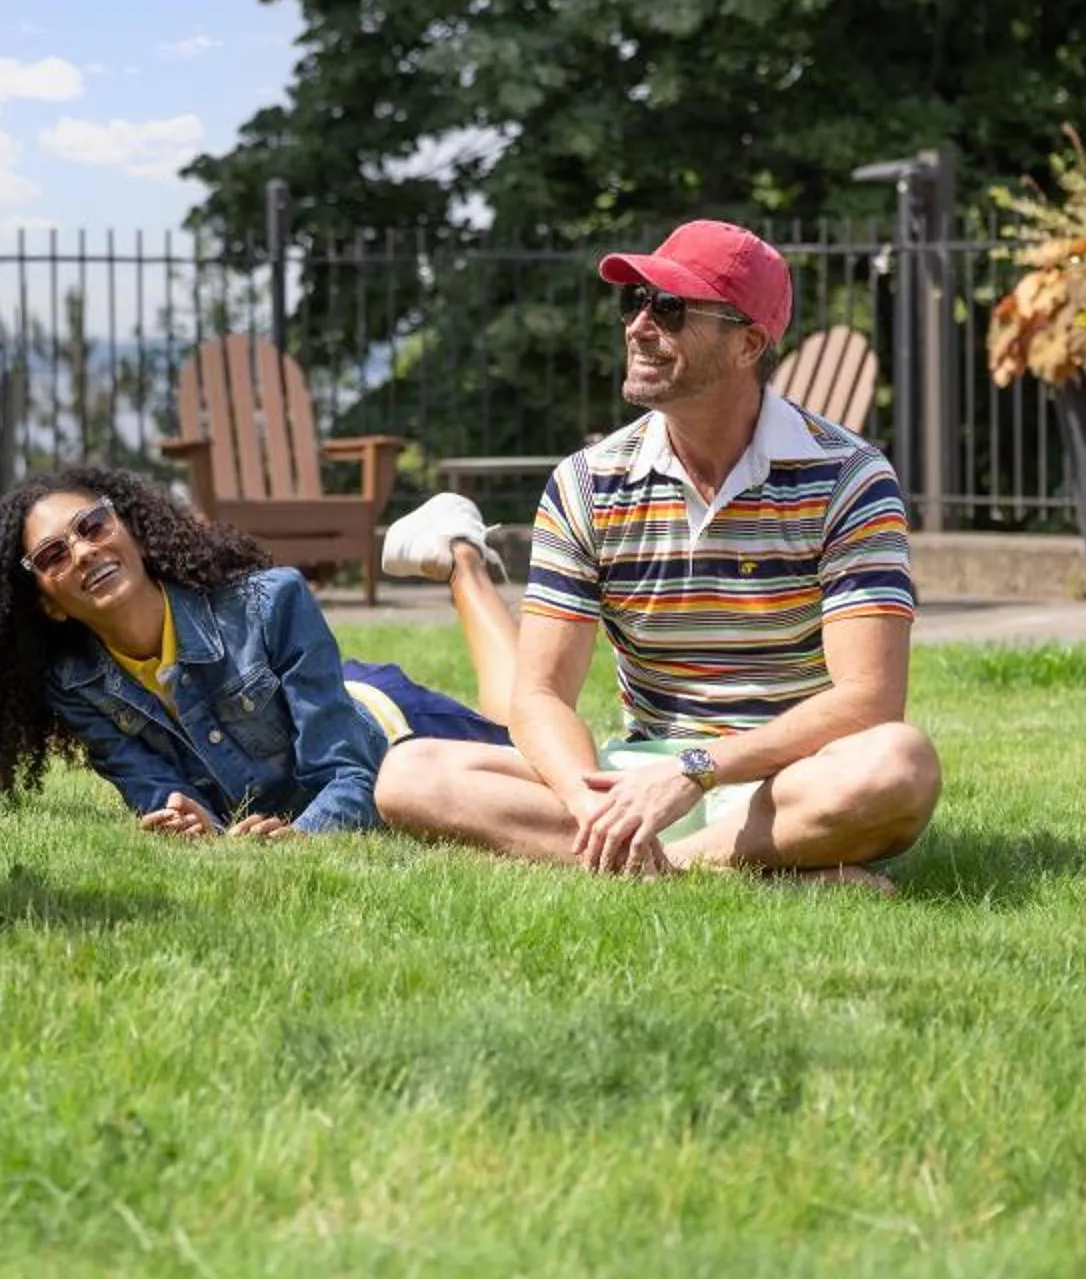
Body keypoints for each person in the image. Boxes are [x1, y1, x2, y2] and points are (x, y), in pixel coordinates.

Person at [376, 219, 943, 888]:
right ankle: (752, 872)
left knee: (898, 765)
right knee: (409, 776)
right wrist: (588, 800)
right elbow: (537, 695)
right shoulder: (586, 483)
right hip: (638, 776)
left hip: (788, 779)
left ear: (748, 344)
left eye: (669, 309)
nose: (639, 326)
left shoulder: (849, 478)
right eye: (635, 302)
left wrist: (694, 770)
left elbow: (869, 702)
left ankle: (651, 865)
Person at [0, 464, 529, 839]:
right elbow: (153, 788)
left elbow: (349, 774)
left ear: (128, 529)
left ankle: (460, 558)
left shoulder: (272, 603)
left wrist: (305, 838)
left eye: (92, 526)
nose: (82, 553)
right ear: (48, 602)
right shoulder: (77, 684)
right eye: (52, 556)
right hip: (322, 702)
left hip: (392, 729)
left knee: (521, 732)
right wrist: (189, 821)